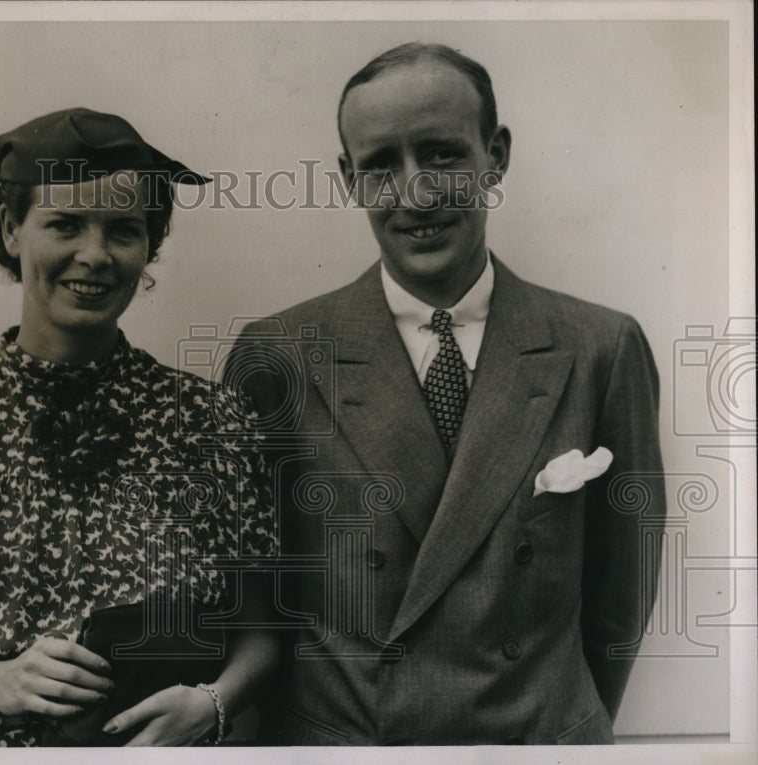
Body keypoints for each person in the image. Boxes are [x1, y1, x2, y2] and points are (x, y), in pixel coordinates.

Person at [228, 43, 666, 745]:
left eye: (440, 155)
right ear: (348, 179)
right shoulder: (278, 355)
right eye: (379, 166)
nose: (415, 194)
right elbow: (258, 601)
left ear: (495, 155)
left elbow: (623, 598)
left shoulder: (601, 348)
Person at [0, 108, 277, 747]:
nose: (95, 256)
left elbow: (263, 636)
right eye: (65, 225)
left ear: (150, 245)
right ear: (10, 228)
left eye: (124, 230)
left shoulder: (214, 424)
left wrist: (213, 702)